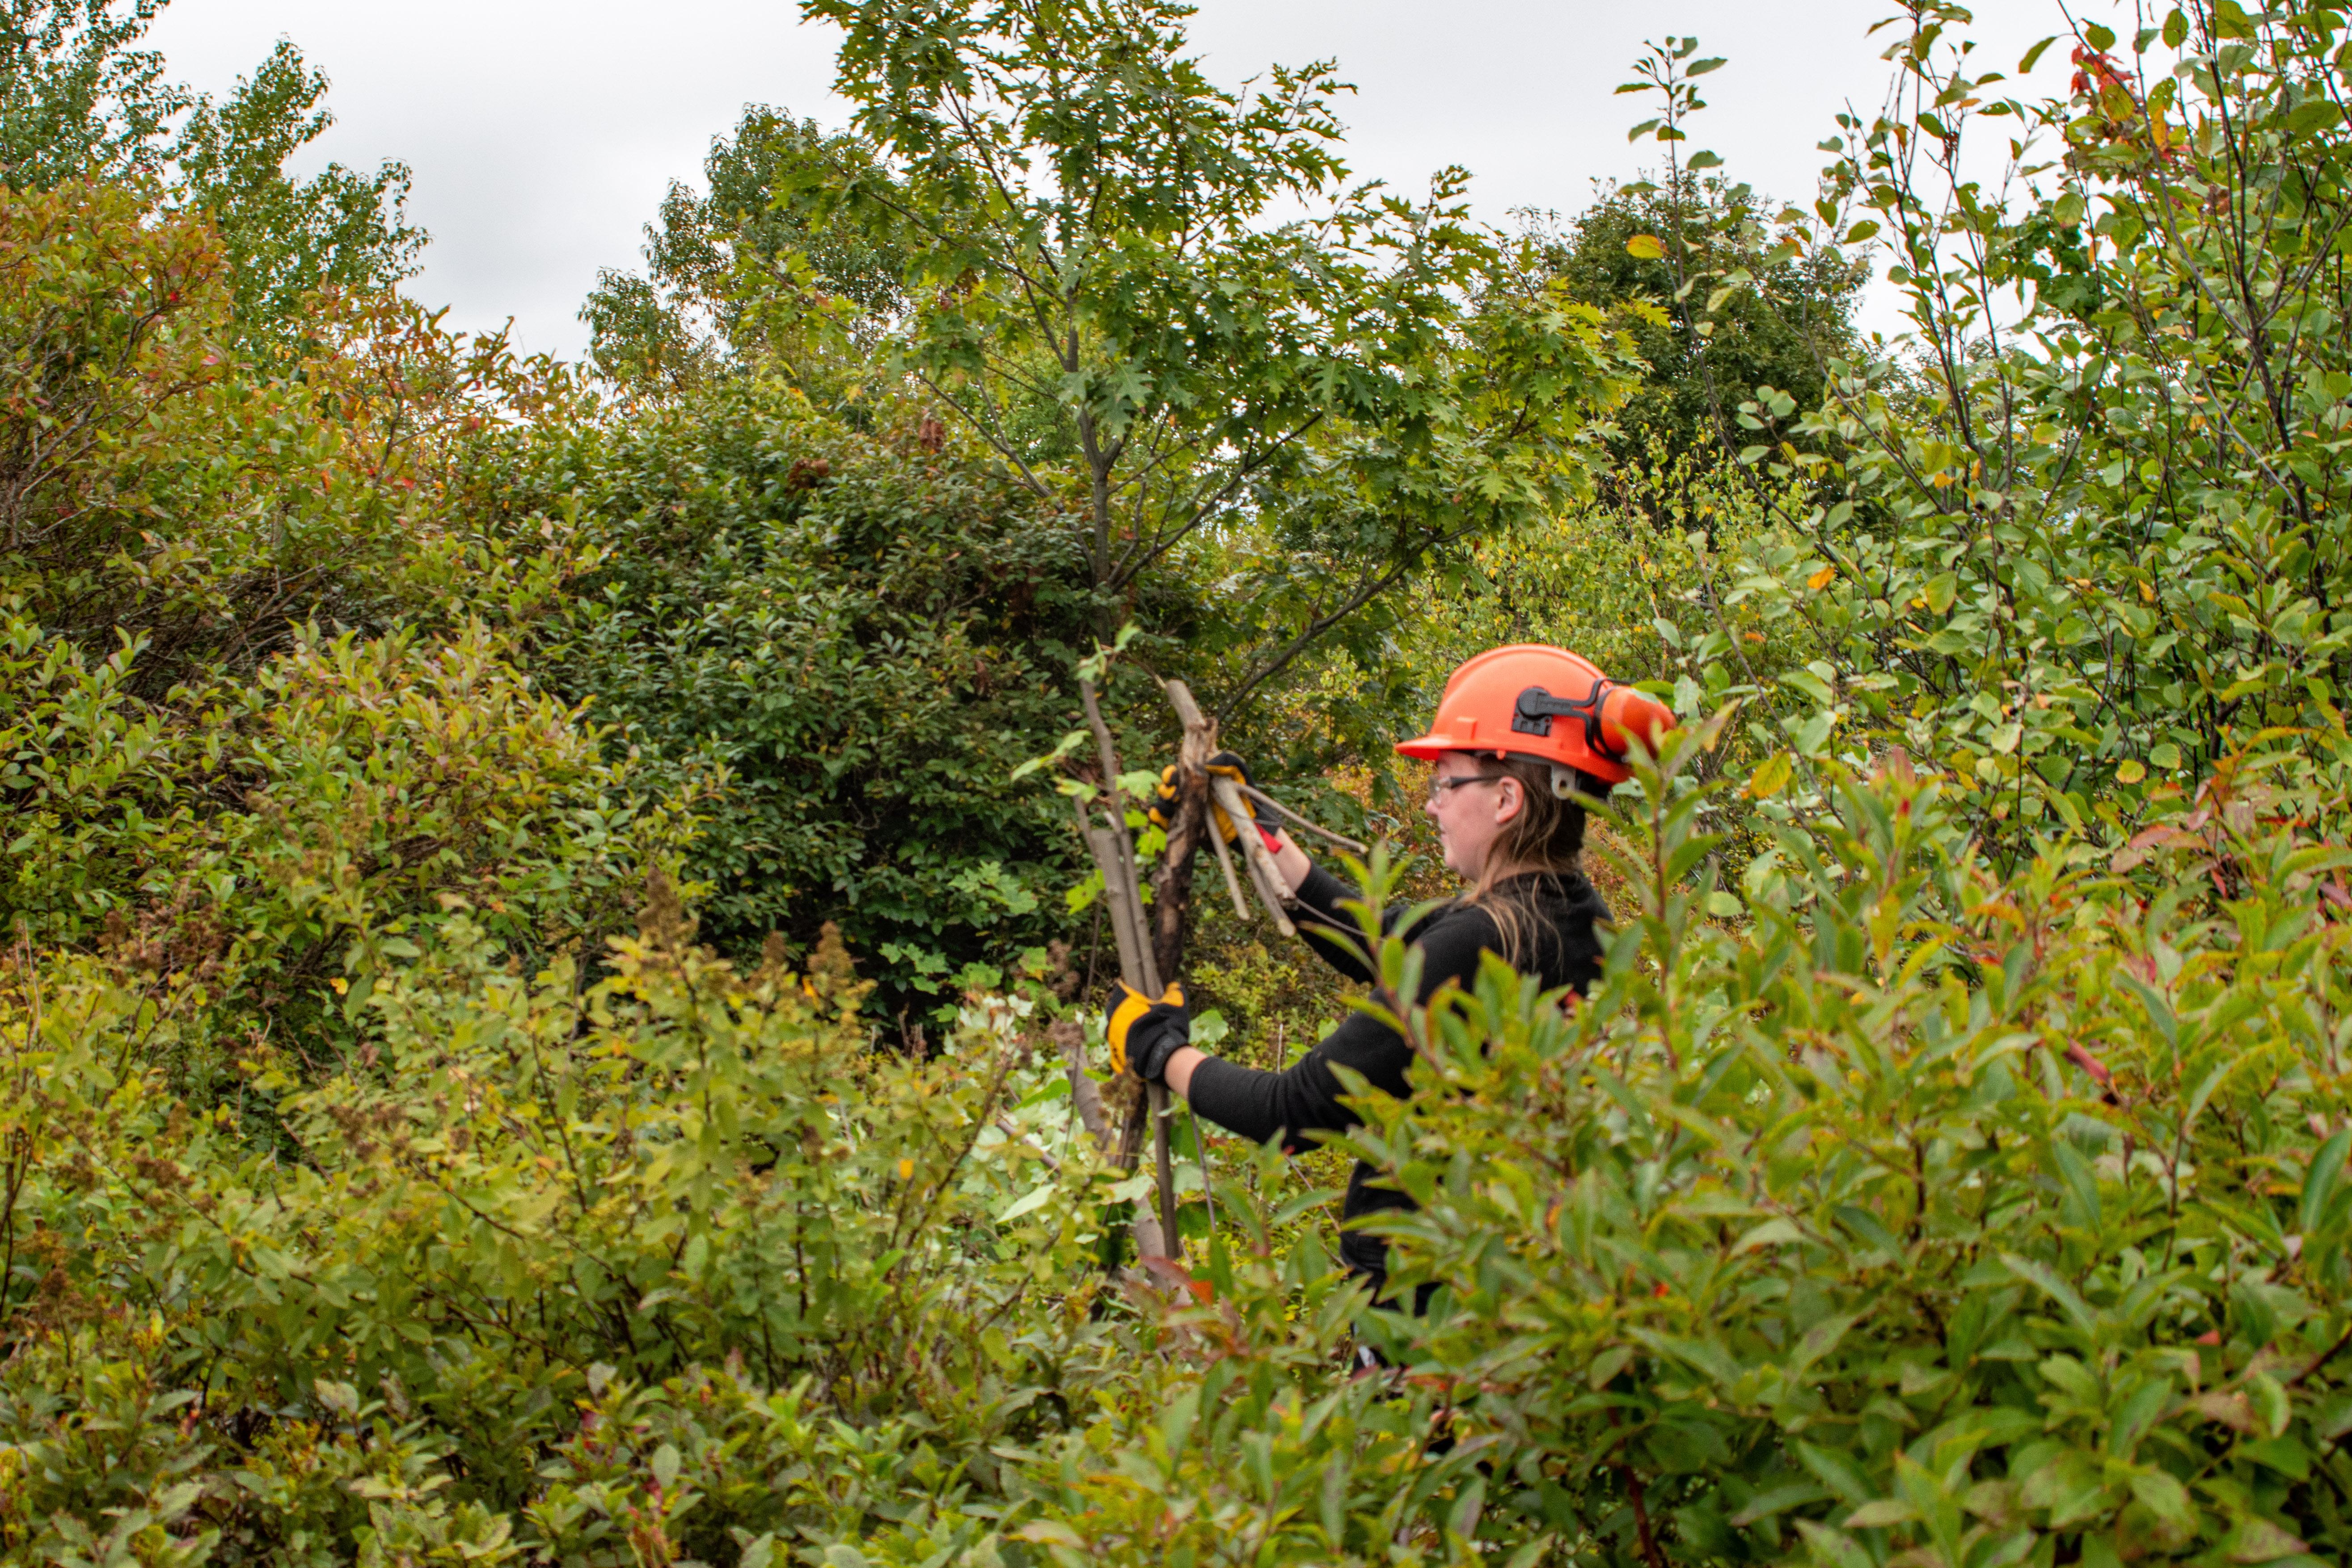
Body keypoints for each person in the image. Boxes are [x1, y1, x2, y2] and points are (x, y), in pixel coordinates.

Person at [1105, 644, 1676, 1305]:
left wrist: (1157, 1048)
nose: (1432, 805)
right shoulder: (1572, 917)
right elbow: (1370, 935)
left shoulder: (1478, 937)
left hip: (1418, 1311)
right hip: (1505, 1286)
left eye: (1444, 782)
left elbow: (1288, 1112)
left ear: (1506, 799)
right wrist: (1250, 831)